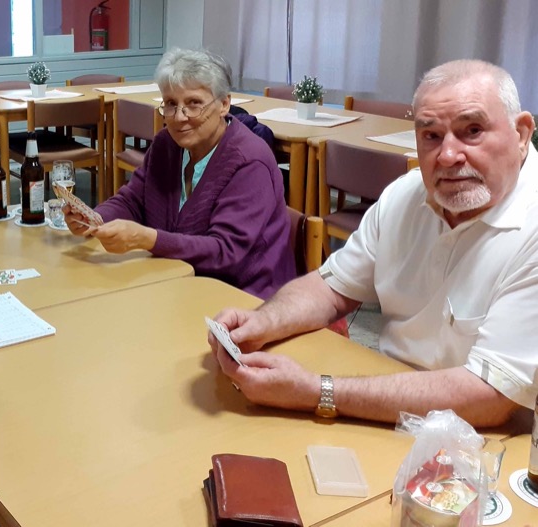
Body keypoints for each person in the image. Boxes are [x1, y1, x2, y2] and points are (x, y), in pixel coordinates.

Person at [209, 59, 537, 427]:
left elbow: (487, 398)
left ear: (522, 133)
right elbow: (332, 287)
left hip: (491, 447)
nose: (447, 155)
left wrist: (318, 391)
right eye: (431, 136)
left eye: (472, 130)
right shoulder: (406, 194)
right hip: (389, 410)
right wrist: (262, 322)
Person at [64, 48, 294, 299]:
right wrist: (95, 218)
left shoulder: (250, 162)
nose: (180, 117)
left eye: (194, 104)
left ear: (224, 104)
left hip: (243, 296)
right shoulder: (166, 144)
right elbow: (133, 199)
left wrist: (149, 240)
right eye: (171, 104)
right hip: (177, 281)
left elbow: (225, 252)